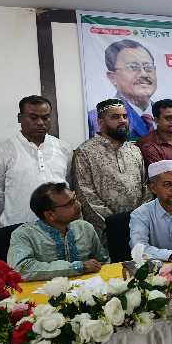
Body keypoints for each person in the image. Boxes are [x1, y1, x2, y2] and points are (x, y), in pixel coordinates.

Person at [73, 99, 151, 244]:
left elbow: (146, 186)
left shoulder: (134, 150)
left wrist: (140, 219)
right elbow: (85, 195)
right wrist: (115, 224)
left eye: (124, 116)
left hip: (138, 228)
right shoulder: (85, 152)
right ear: (100, 122)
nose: (122, 121)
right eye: (115, 117)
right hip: (105, 232)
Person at [0, 95, 72, 226]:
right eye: (33, 117)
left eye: (45, 117)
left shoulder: (64, 148)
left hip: (60, 226)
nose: (40, 122)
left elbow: (68, 182)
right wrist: (13, 216)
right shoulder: (1, 153)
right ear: (20, 118)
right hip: (19, 227)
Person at [8, 182, 108, 281]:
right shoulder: (24, 235)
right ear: (50, 215)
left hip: (89, 287)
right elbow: (21, 269)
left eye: (75, 198)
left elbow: (103, 261)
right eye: (70, 203)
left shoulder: (85, 228)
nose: (78, 204)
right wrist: (78, 267)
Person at [87, 40, 157, 140]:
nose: (144, 74)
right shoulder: (96, 118)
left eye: (148, 68)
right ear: (112, 77)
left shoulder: (169, 116)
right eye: (133, 67)